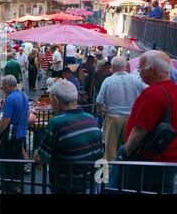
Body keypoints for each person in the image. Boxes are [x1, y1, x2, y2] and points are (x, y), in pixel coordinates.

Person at [109, 51, 177, 193]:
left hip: (147, 160)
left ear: (151, 70)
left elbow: (139, 130)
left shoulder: (152, 93)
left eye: (140, 68)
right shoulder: (173, 90)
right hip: (169, 160)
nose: (138, 72)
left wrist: (126, 151)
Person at [34, 80, 104, 194]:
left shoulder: (56, 123)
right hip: (91, 185)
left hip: (67, 187)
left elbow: (41, 158)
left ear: (55, 101)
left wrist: (36, 154)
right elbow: (100, 154)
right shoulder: (91, 119)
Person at [96, 56, 146, 161]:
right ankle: (125, 168)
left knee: (110, 148)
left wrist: (101, 111)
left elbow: (99, 101)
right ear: (125, 67)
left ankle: (110, 172)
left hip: (113, 117)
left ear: (112, 68)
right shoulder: (135, 79)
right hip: (130, 117)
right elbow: (148, 91)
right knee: (127, 146)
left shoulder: (108, 81)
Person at [0, 75, 29, 194]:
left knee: (7, 164)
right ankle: (17, 185)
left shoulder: (10, 98)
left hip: (10, 138)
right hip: (21, 135)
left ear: (9, 86)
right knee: (18, 162)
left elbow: (6, 120)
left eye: (3, 85)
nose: (2, 87)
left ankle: (8, 188)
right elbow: (27, 114)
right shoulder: (24, 96)